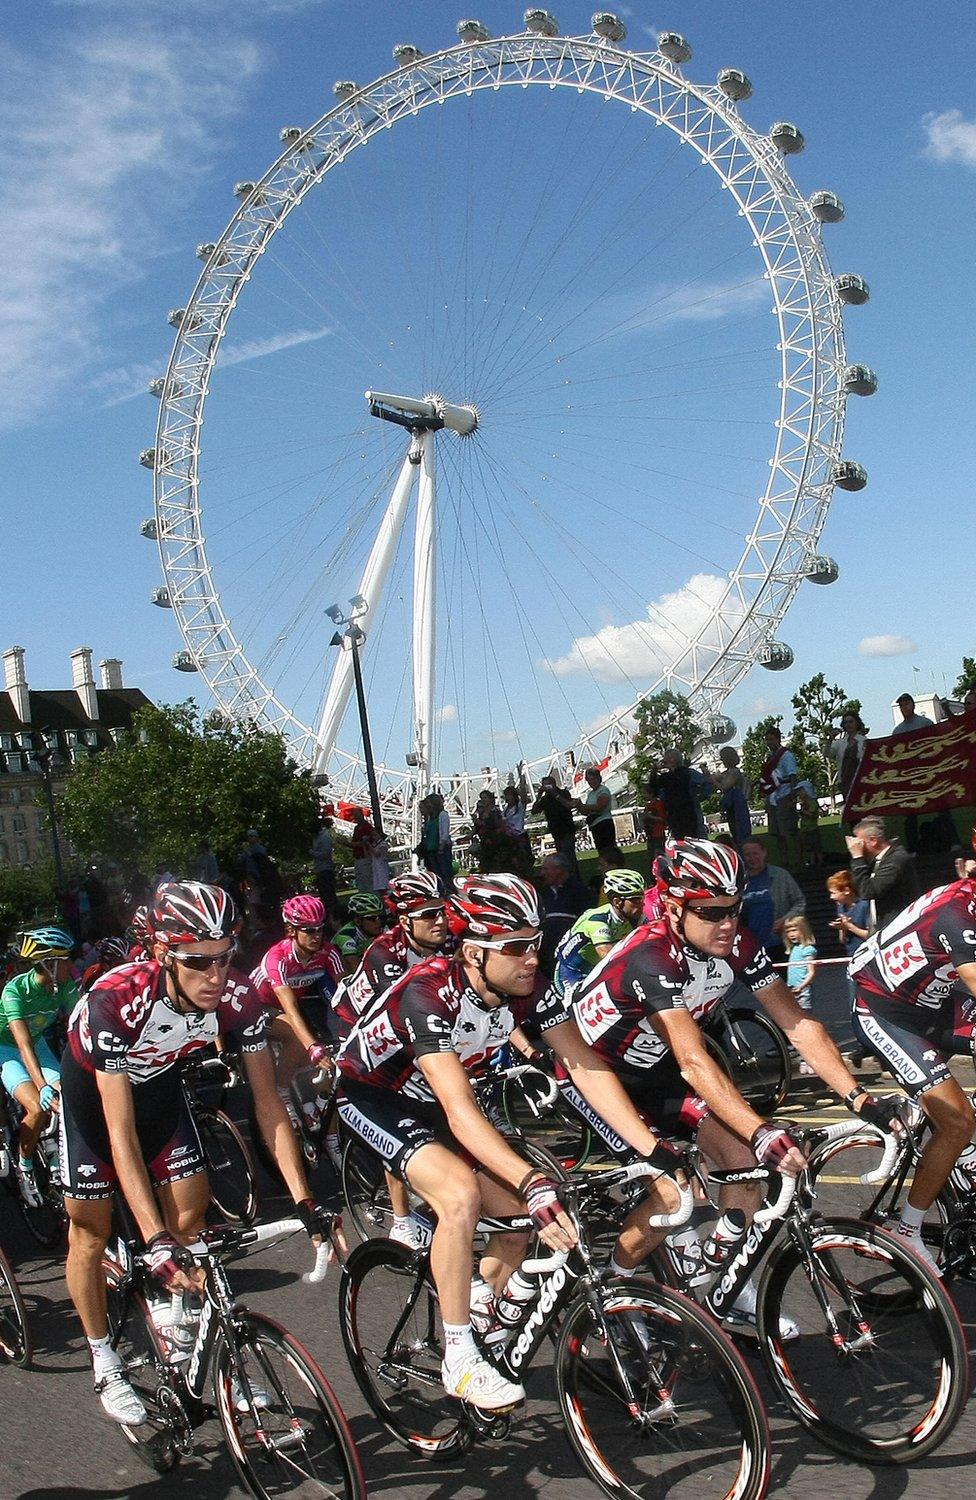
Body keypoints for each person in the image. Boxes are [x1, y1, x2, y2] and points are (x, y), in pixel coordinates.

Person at [335, 873, 682, 1410]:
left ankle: (484, 1316)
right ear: (473, 952)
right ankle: (458, 1358)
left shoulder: (530, 987)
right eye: (515, 948)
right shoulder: (426, 995)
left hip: (443, 1101)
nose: (531, 959)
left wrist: (651, 1151)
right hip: (376, 1098)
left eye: (535, 944)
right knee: (461, 1196)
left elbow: (584, 1065)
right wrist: (531, 1177)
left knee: (521, 1222)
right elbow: (458, 1112)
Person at [547, 840, 901, 1330]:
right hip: (595, 1077)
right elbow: (694, 1060)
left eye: (734, 909)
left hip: (656, 1073)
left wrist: (859, 1097)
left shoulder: (737, 945)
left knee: (745, 1168)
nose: (728, 924)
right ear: (673, 907)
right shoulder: (652, 957)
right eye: (712, 912)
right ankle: (613, 1297)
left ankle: (730, 1284)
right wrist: (761, 1130)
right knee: (671, 1194)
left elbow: (797, 1024)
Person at [60, 882, 330, 1423]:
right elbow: (121, 1134)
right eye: (198, 963)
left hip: (159, 1090)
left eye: (225, 959)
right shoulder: (115, 1002)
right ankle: (104, 1359)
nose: (215, 977)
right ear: (162, 954)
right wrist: (152, 1238)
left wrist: (305, 1201)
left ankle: (184, 1328)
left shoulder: (234, 996)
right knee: (89, 1231)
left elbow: (267, 1104)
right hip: (96, 1105)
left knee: (192, 1217)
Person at [850, 868, 976, 1273]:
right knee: (958, 1122)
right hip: (885, 1012)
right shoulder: (958, 914)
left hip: (933, 1001)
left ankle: (966, 1159)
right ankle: (907, 1228)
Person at [331, 870, 452, 1249]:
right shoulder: (386, 951)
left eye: (441, 912)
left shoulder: (444, 945)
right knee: (399, 1108)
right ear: (404, 921)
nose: (439, 921)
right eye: (428, 915)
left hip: (402, 1025)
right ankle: (401, 1221)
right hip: (355, 1024)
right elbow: (404, 1018)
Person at [0, 927, 78, 1207]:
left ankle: (59, 1154)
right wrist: (42, 1085)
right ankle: (25, 1164)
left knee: (67, 1098)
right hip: (7, 1049)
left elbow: (80, 1025)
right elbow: (21, 1045)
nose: (72, 964)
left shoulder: (66, 986)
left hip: (38, 1045)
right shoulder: (15, 991)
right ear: (49, 964)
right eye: (66, 959)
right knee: (36, 1106)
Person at [250, 894, 344, 1100]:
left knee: (320, 1054)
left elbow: (347, 995)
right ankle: (281, 1094)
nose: (317, 936)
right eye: (309, 930)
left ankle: (316, 1113)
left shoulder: (328, 953)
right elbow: (290, 1009)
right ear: (291, 931)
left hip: (284, 1007)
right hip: (255, 1006)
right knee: (297, 1038)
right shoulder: (277, 958)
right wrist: (312, 1047)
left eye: (320, 928)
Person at [552, 867, 647, 1006]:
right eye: (635, 900)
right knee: (582, 1012)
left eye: (642, 898)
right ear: (617, 902)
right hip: (573, 972)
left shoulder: (635, 917)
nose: (642, 904)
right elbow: (609, 958)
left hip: (596, 968)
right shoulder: (597, 921)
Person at [845, 816, 920, 933]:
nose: (856, 846)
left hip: (900, 929)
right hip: (884, 929)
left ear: (873, 841)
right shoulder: (878, 860)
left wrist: (857, 858)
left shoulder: (895, 860)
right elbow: (859, 888)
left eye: (860, 842)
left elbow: (868, 891)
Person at [740, 839, 806, 965]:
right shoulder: (739, 881)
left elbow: (800, 902)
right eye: (748, 855)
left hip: (780, 942)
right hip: (752, 945)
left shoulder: (781, 875)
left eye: (755, 853)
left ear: (764, 853)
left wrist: (785, 920)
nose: (752, 858)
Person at [536, 852, 592, 976]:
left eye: (545, 869)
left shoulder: (579, 891)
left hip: (569, 950)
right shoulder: (540, 892)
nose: (542, 874)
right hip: (545, 951)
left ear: (559, 870)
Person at [756, 726, 800, 869]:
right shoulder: (769, 757)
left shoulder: (786, 755)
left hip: (784, 793)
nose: (769, 742)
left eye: (771, 739)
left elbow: (792, 775)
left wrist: (793, 797)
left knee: (788, 831)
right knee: (777, 833)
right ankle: (785, 860)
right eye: (767, 740)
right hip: (772, 796)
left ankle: (797, 859)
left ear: (778, 739)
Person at [657, 749, 712, 839]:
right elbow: (706, 783)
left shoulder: (668, 778)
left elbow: (660, 794)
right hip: (688, 813)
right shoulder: (689, 773)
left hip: (680, 814)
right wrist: (701, 797)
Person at [531, 775, 578, 873]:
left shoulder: (563, 793)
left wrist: (555, 794)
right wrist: (539, 796)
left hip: (567, 829)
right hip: (556, 831)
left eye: (548, 785)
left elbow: (568, 805)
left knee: (570, 858)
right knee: (561, 859)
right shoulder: (545, 799)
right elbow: (534, 811)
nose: (547, 787)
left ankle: (575, 879)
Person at [572, 767, 621, 860]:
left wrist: (583, 805)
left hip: (604, 824)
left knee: (609, 850)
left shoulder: (603, 790)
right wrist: (578, 805)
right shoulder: (590, 794)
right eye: (589, 780)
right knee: (601, 851)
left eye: (593, 779)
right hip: (595, 825)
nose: (591, 782)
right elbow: (585, 812)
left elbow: (600, 807)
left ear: (598, 778)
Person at [333, 891, 386, 974]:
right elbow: (355, 968)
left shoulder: (378, 929)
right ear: (357, 921)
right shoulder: (346, 936)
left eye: (381, 917)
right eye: (372, 918)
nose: (378, 922)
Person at [828, 711, 868, 818]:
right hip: (845, 782)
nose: (848, 725)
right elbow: (828, 753)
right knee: (852, 813)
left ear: (856, 723)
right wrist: (829, 739)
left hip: (860, 781)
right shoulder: (839, 743)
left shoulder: (863, 741)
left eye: (851, 721)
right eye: (846, 722)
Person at [712, 747, 751, 848]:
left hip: (738, 805)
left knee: (741, 833)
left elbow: (724, 788)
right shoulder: (728, 772)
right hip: (733, 806)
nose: (721, 760)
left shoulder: (734, 772)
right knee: (736, 832)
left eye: (722, 757)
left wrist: (713, 781)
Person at [310, 818, 338, 916]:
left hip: (326, 870)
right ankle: (329, 915)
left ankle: (334, 915)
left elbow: (326, 854)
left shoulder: (324, 837)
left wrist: (312, 853)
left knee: (329, 895)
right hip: (319, 869)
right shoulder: (316, 838)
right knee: (324, 896)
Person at [795, 780, 823, 868]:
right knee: (809, 847)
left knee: (816, 847)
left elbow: (813, 815)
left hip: (812, 828)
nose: (798, 793)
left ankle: (819, 861)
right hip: (805, 828)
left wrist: (803, 812)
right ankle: (812, 862)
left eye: (800, 791)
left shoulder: (812, 802)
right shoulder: (804, 803)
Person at [349, 809, 378, 892]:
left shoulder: (366, 827)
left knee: (367, 883)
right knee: (360, 883)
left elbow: (364, 843)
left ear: (361, 815)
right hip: (358, 858)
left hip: (365, 858)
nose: (355, 817)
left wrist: (347, 843)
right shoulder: (357, 827)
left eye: (356, 815)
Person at [641, 776, 668, 862]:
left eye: (646, 793)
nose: (644, 795)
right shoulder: (648, 805)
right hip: (650, 833)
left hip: (658, 834)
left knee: (659, 854)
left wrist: (650, 817)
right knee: (651, 856)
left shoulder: (659, 804)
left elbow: (663, 819)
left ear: (651, 794)